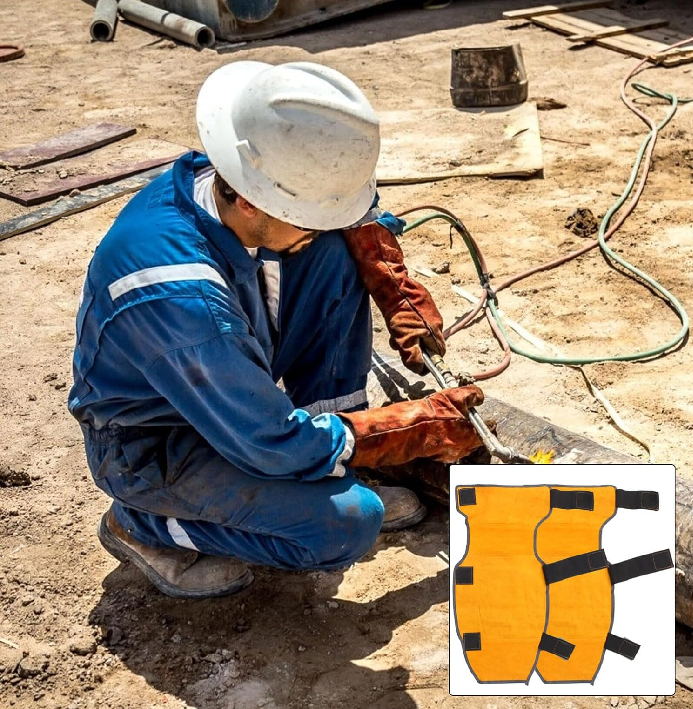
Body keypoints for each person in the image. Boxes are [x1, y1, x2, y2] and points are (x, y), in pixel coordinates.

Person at [68, 61, 484, 599]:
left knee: (332, 250)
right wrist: (399, 431)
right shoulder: (180, 295)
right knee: (345, 524)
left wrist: (386, 272)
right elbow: (269, 441)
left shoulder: (237, 174)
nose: (326, 221)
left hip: (223, 390)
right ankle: (142, 523)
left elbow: (338, 212)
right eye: (311, 213)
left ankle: (331, 458)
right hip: (154, 444)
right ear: (250, 201)